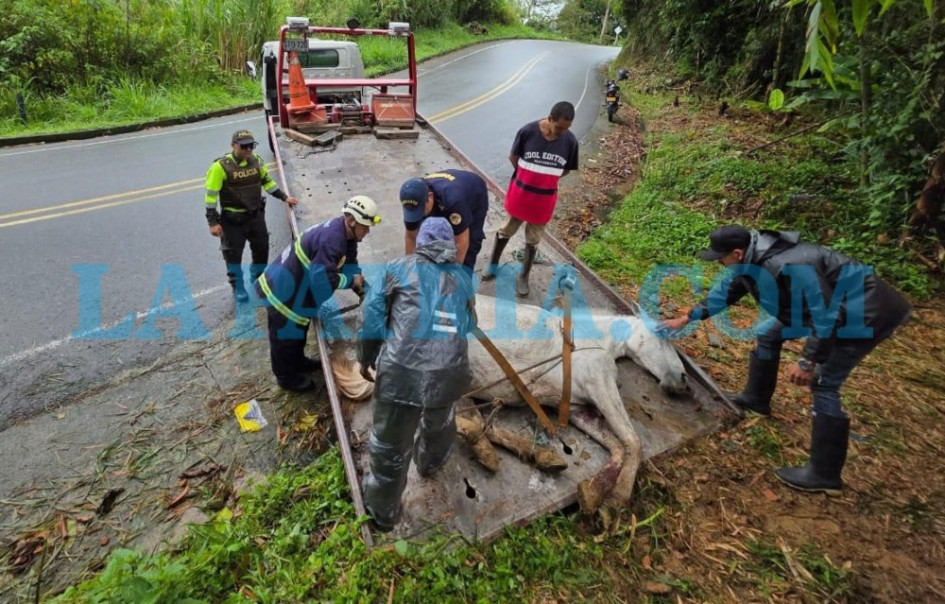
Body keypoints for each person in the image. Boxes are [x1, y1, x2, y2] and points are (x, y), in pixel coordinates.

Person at [661, 225, 912, 495]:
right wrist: (687, 317)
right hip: (830, 309)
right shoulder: (750, 261)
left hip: (865, 313)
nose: (720, 263)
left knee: (824, 384)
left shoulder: (787, 265)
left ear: (736, 252)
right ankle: (756, 399)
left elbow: (827, 316)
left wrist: (808, 361)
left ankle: (824, 475)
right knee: (768, 336)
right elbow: (728, 293)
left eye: (721, 258)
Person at [357, 217, 476, 532]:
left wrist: (365, 359)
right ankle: (430, 464)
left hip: (401, 373)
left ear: (421, 242)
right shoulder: (462, 277)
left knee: (389, 447)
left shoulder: (397, 267)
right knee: (441, 424)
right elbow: (470, 324)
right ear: (449, 245)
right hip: (450, 372)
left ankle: (383, 514)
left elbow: (371, 319)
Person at [255, 196, 379, 391]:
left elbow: (350, 265)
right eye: (365, 226)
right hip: (281, 294)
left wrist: (364, 288)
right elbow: (322, 281)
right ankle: (286, 377)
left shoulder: (347, 237)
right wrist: (350, 281)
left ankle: (298, 361)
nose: (368, 230)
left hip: (296, 291)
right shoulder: (332, 241)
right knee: (285, 338)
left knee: (298, 333)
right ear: (351, 220)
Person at [481, 101, 580, 297]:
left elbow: (567, 168)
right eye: (559, 127)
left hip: (544, 201)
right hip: (520, 195)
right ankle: (493, 264)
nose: (562, 132)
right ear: (549, 118)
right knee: (506, 230)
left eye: (566, 128)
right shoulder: (528, 131)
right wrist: (527, 175)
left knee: (533, 240)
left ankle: (524, 276)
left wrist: (545, 178)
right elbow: (513, 157)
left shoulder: (570, 141)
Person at [205, 129, 299, 302]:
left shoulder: (256, 161)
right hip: (233, 221)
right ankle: (237, 286)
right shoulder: (220, 167)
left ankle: (258, 278)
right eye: (244, 146)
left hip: (255, 217)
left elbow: (267, 182)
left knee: (262, 249)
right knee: (232, 255)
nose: (248, 150)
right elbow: (211, 197)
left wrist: (285, 197)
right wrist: (212, 222)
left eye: (251, 146)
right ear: (233, 145)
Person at [398, 169, 489, 272]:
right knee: (430, 240)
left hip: (474, 192)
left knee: (470, 244)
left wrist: (453, 275)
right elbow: (411, 237)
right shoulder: (413, 198)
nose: (419, 215)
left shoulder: (453, 201)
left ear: (430, 197)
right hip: (444, 194)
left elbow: (462, 241)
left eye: (421, 210)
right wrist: (409, 270)